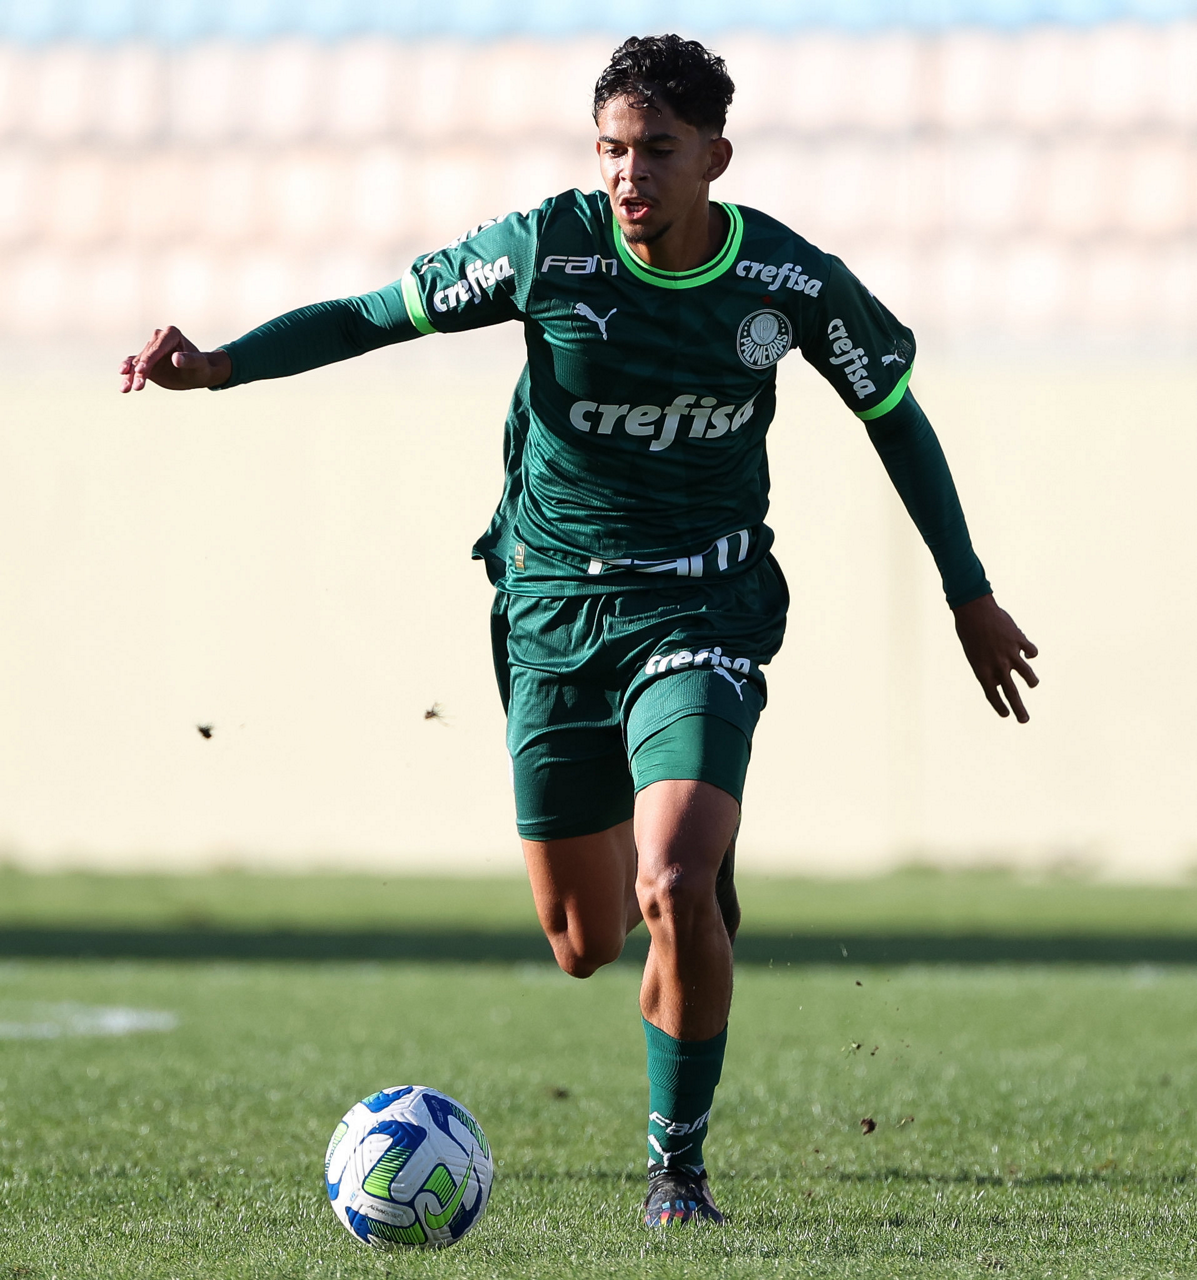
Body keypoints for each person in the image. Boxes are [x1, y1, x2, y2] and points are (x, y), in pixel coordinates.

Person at [119, 34, 1038, 1229]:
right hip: (550, 605)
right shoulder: (545, 247)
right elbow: (376, 313)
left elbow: (895, 415)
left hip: (702, 603)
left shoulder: (789, 282)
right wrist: (221, 365)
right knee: (584, 939)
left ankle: (678, 1169)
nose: (628, 173)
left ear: (715, 156)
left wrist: (968, 591)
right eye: (611, 149)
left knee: (674, 881)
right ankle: (682, 854)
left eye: (656, 150)